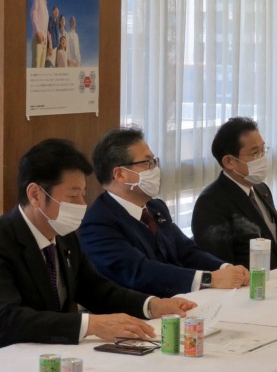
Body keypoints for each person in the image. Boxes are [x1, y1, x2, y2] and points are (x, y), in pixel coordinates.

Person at [0, 139, 196, 348]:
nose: (82, 204)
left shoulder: (64, 235)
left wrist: (152, 305)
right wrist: (90, 324)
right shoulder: (5, 239)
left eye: (83, 194)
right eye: (73, 196)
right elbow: (7, 319)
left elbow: (97, 290)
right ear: (35, 195)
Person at [79, 127, 249, 298]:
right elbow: (140, 272)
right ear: (120, 174)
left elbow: (186, 251)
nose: (155, 169)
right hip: (140, 309)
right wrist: (209, 279)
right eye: (147, 163)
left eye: (154, 161)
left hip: (182, 301)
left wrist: (226, 268)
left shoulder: (156, 208)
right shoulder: (98, 224)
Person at [192, 117, 277, 269]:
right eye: (255, 152)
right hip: (247, 282)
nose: (262, 157)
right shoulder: (211, 203)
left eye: (263, 150)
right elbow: (220, 264)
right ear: (229, 162)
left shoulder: (261, 189)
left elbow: (275, 242)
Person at [30, 0, 49, 68]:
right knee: (36, 65)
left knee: (42, 68)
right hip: (38, 37)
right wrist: (38, 31)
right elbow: (33, 13)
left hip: (44, 41)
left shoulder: (46, 6)